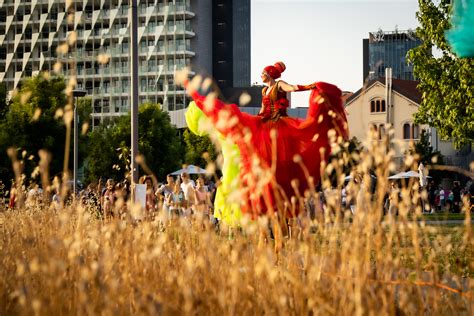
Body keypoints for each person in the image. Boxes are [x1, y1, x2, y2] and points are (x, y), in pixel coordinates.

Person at [182, 61, 348, 217]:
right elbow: (262, 109)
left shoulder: (279, 84)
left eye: (263, 73)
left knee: (279, 154)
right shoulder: (264, 90)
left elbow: (292, 88)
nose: (261, 75)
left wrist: (310, 86)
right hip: (266, 122)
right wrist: (255, 122)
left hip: (279, 123)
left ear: (269, 74)